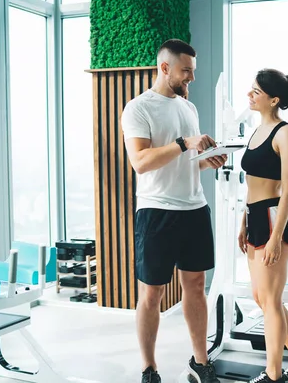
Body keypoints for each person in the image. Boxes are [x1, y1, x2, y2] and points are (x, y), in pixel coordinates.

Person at [121, 39, 225, 383]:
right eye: (186, 71)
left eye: (192, 71)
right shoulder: (138, 108)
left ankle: (200, 362)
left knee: (196, 286)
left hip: (195, 208)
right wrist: (184, 143)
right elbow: (140, 162)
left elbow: (186, 163)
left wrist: (208, 161)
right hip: (157, 211)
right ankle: (149, 369)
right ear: (164, 68)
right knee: (152, 293)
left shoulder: (188, 109)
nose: (191, 78)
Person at [238, 69, 288, 383]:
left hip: (274, 219)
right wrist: (244, 222)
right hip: (255, 217)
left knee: (270, 300)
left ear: (274, 100)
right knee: (262, 297)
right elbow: (250, 185)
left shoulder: (285, 134)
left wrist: (276, 237)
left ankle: (273, 375)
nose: (250, 95)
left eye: (256, 92)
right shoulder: (257, 132)